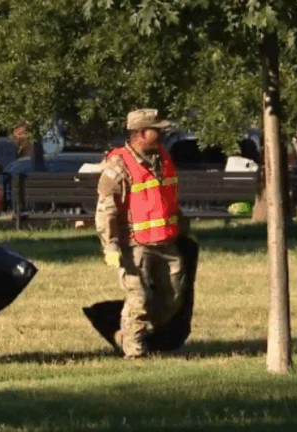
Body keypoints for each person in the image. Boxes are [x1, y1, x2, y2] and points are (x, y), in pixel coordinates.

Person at [95, 108, 190, 359]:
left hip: (167, 241)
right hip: (134, 245)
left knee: (173, 297)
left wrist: (182, 226)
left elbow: (167, 197)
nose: (162, 134)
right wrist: (110, 246)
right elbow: (106, 211)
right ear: (141, 133)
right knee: (139, 299)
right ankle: (134, 352)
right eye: (157, 130)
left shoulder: (162, 157)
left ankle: (131, 334)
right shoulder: (119, 166)